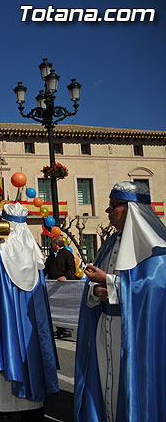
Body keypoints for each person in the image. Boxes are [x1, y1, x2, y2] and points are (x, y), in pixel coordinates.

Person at [74, 181, 166, 422]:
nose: (108, 212)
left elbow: (155, 288)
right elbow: (98, 283)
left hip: (134, 331)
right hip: (106, 326)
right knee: (106, 380)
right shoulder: (111, 242)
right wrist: (97, 290)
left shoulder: (156, 248)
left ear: (131, 208)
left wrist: (111, 283)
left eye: (113, 206)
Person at [0, 202, 59, 422]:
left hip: (7, 315)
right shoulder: (30, 246)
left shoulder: (0, 248)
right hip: (29, 319)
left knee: (6, 349)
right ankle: (11, 405)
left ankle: (7, 407)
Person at [44, 236, 77, 339]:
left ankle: (66, 329)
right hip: (53, 286)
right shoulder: (51, 257)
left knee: (64, 307)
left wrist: (65, 277)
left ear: (57, 245)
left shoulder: (67, 254)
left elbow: (72, 269)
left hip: (64, 286)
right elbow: (46, 269)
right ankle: (59, 328)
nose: (50, 245)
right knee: (56, 307)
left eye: (52, 243)